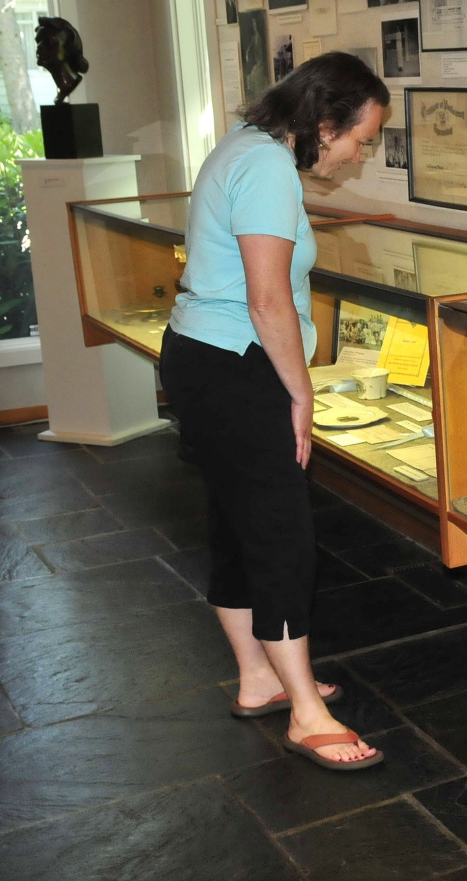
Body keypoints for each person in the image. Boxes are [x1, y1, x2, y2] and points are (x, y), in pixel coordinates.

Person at [159, 53, 390, 772]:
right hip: (238, 365)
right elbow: (267, 301)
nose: (358, 154)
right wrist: (301, 391)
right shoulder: (264, 169)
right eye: (359, 137)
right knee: (281, 535)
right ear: (324, 122)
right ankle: (307, 713)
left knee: (236, 524)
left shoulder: (243, 146)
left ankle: (260, 675)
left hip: (203, 357)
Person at [34, 16, 89, 105]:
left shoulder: (69, 82)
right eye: (38, 41)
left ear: (67, 48)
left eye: (48, 42)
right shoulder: (62, 85)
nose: (39, 46)